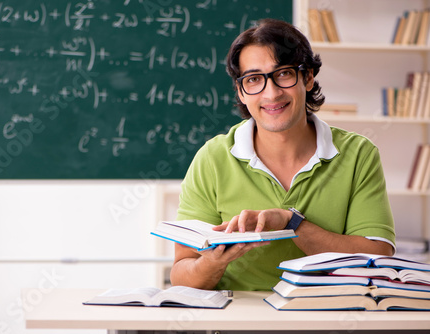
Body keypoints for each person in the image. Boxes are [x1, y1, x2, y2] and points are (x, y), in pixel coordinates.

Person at [170, 19, 396, 291]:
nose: (272, 93)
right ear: (241, 92)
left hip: (328, 321)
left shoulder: (359, 154)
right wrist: (214, 262)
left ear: (308, 78)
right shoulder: (212, 158)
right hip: (238, 325)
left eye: (284, 74)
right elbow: (181, 274)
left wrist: (292, 223)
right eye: (253, 80)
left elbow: (377, 258)